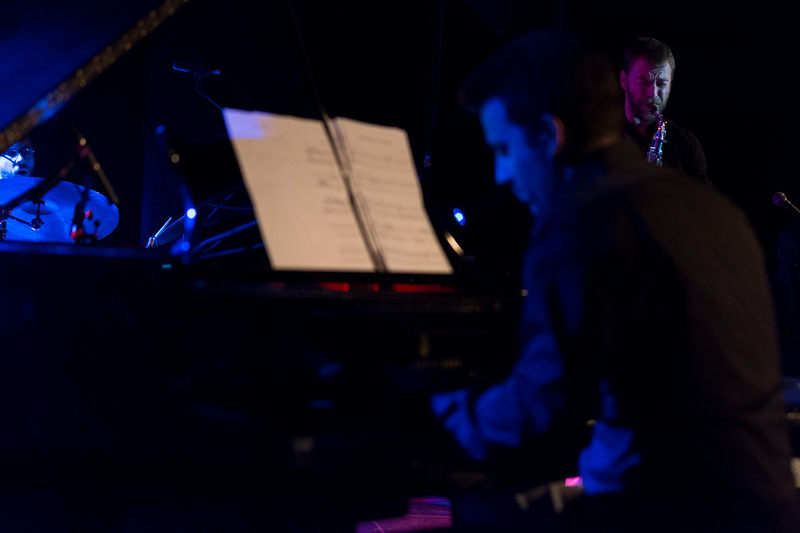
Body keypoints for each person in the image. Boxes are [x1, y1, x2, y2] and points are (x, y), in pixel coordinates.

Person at [431, 30, 798, 532]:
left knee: (477, 509)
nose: (501, 175)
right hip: (767, 508)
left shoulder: (582, 220)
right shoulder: (719, 213)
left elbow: (542, 413)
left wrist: (433, 412)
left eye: (504, 149)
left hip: (675, 513)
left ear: (549, 135)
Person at [620, 36, 709, 184]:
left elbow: (703, 198)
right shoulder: (602, 138)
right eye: (644, 82)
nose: (653, 94)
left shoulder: (686, 144)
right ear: (624, 80)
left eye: (661, 84)